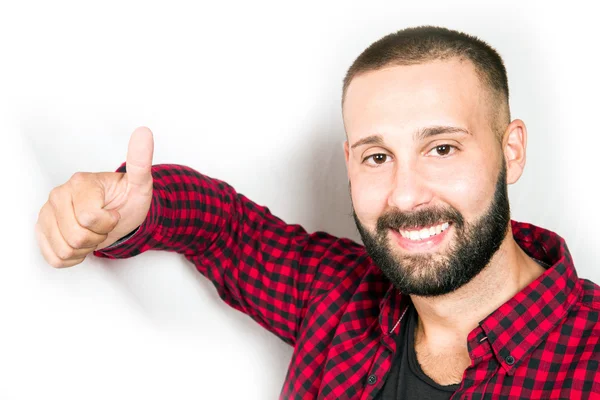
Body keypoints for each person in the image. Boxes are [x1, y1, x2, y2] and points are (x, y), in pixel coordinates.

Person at [34, 26, 600, 399]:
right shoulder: (338, 295)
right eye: (377, 156)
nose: (406, 197)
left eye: (442, 148)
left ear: (511, 150)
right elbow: (228, 231)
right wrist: (135, 207)